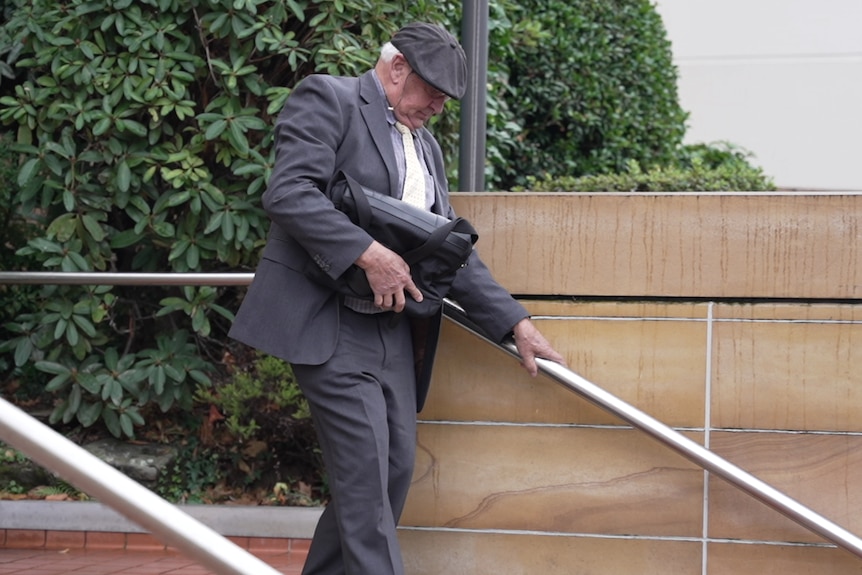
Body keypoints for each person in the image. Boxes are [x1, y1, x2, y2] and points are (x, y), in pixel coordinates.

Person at [229, 22, 565, 575]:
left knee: (389, 477)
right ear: (398, 66)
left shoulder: (427, 145)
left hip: (393, 331)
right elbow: (289, 191)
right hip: (328, 325)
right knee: (366, 487)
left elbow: (446, 248)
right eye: (432, 90)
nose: (438, 105)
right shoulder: (329, 98)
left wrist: (514, 324)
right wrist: (368, 252)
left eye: (445, 98)